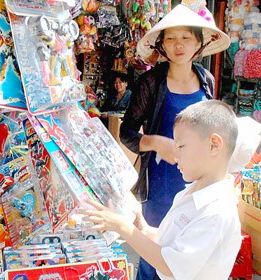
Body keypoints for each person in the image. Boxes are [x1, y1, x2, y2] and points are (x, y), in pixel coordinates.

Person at [118, 3, 231, 279]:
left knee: (187, 260)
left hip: (197, 185)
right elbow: (127, 133)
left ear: (198, 44)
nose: (178, 45)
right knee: (152, 250)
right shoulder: (150, 83)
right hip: (159, 184)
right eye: (170, 38)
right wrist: (157, 142)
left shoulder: (207, 81)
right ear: (162, 45)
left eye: (185, 38)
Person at [80, 100, 241, 280]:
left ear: (214, 145)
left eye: (181, 147)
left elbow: (171, 265)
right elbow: (171, 243)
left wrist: (122, 226)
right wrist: (142, 228)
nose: (175, 155)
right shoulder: (192, 193)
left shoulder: (217, 212)